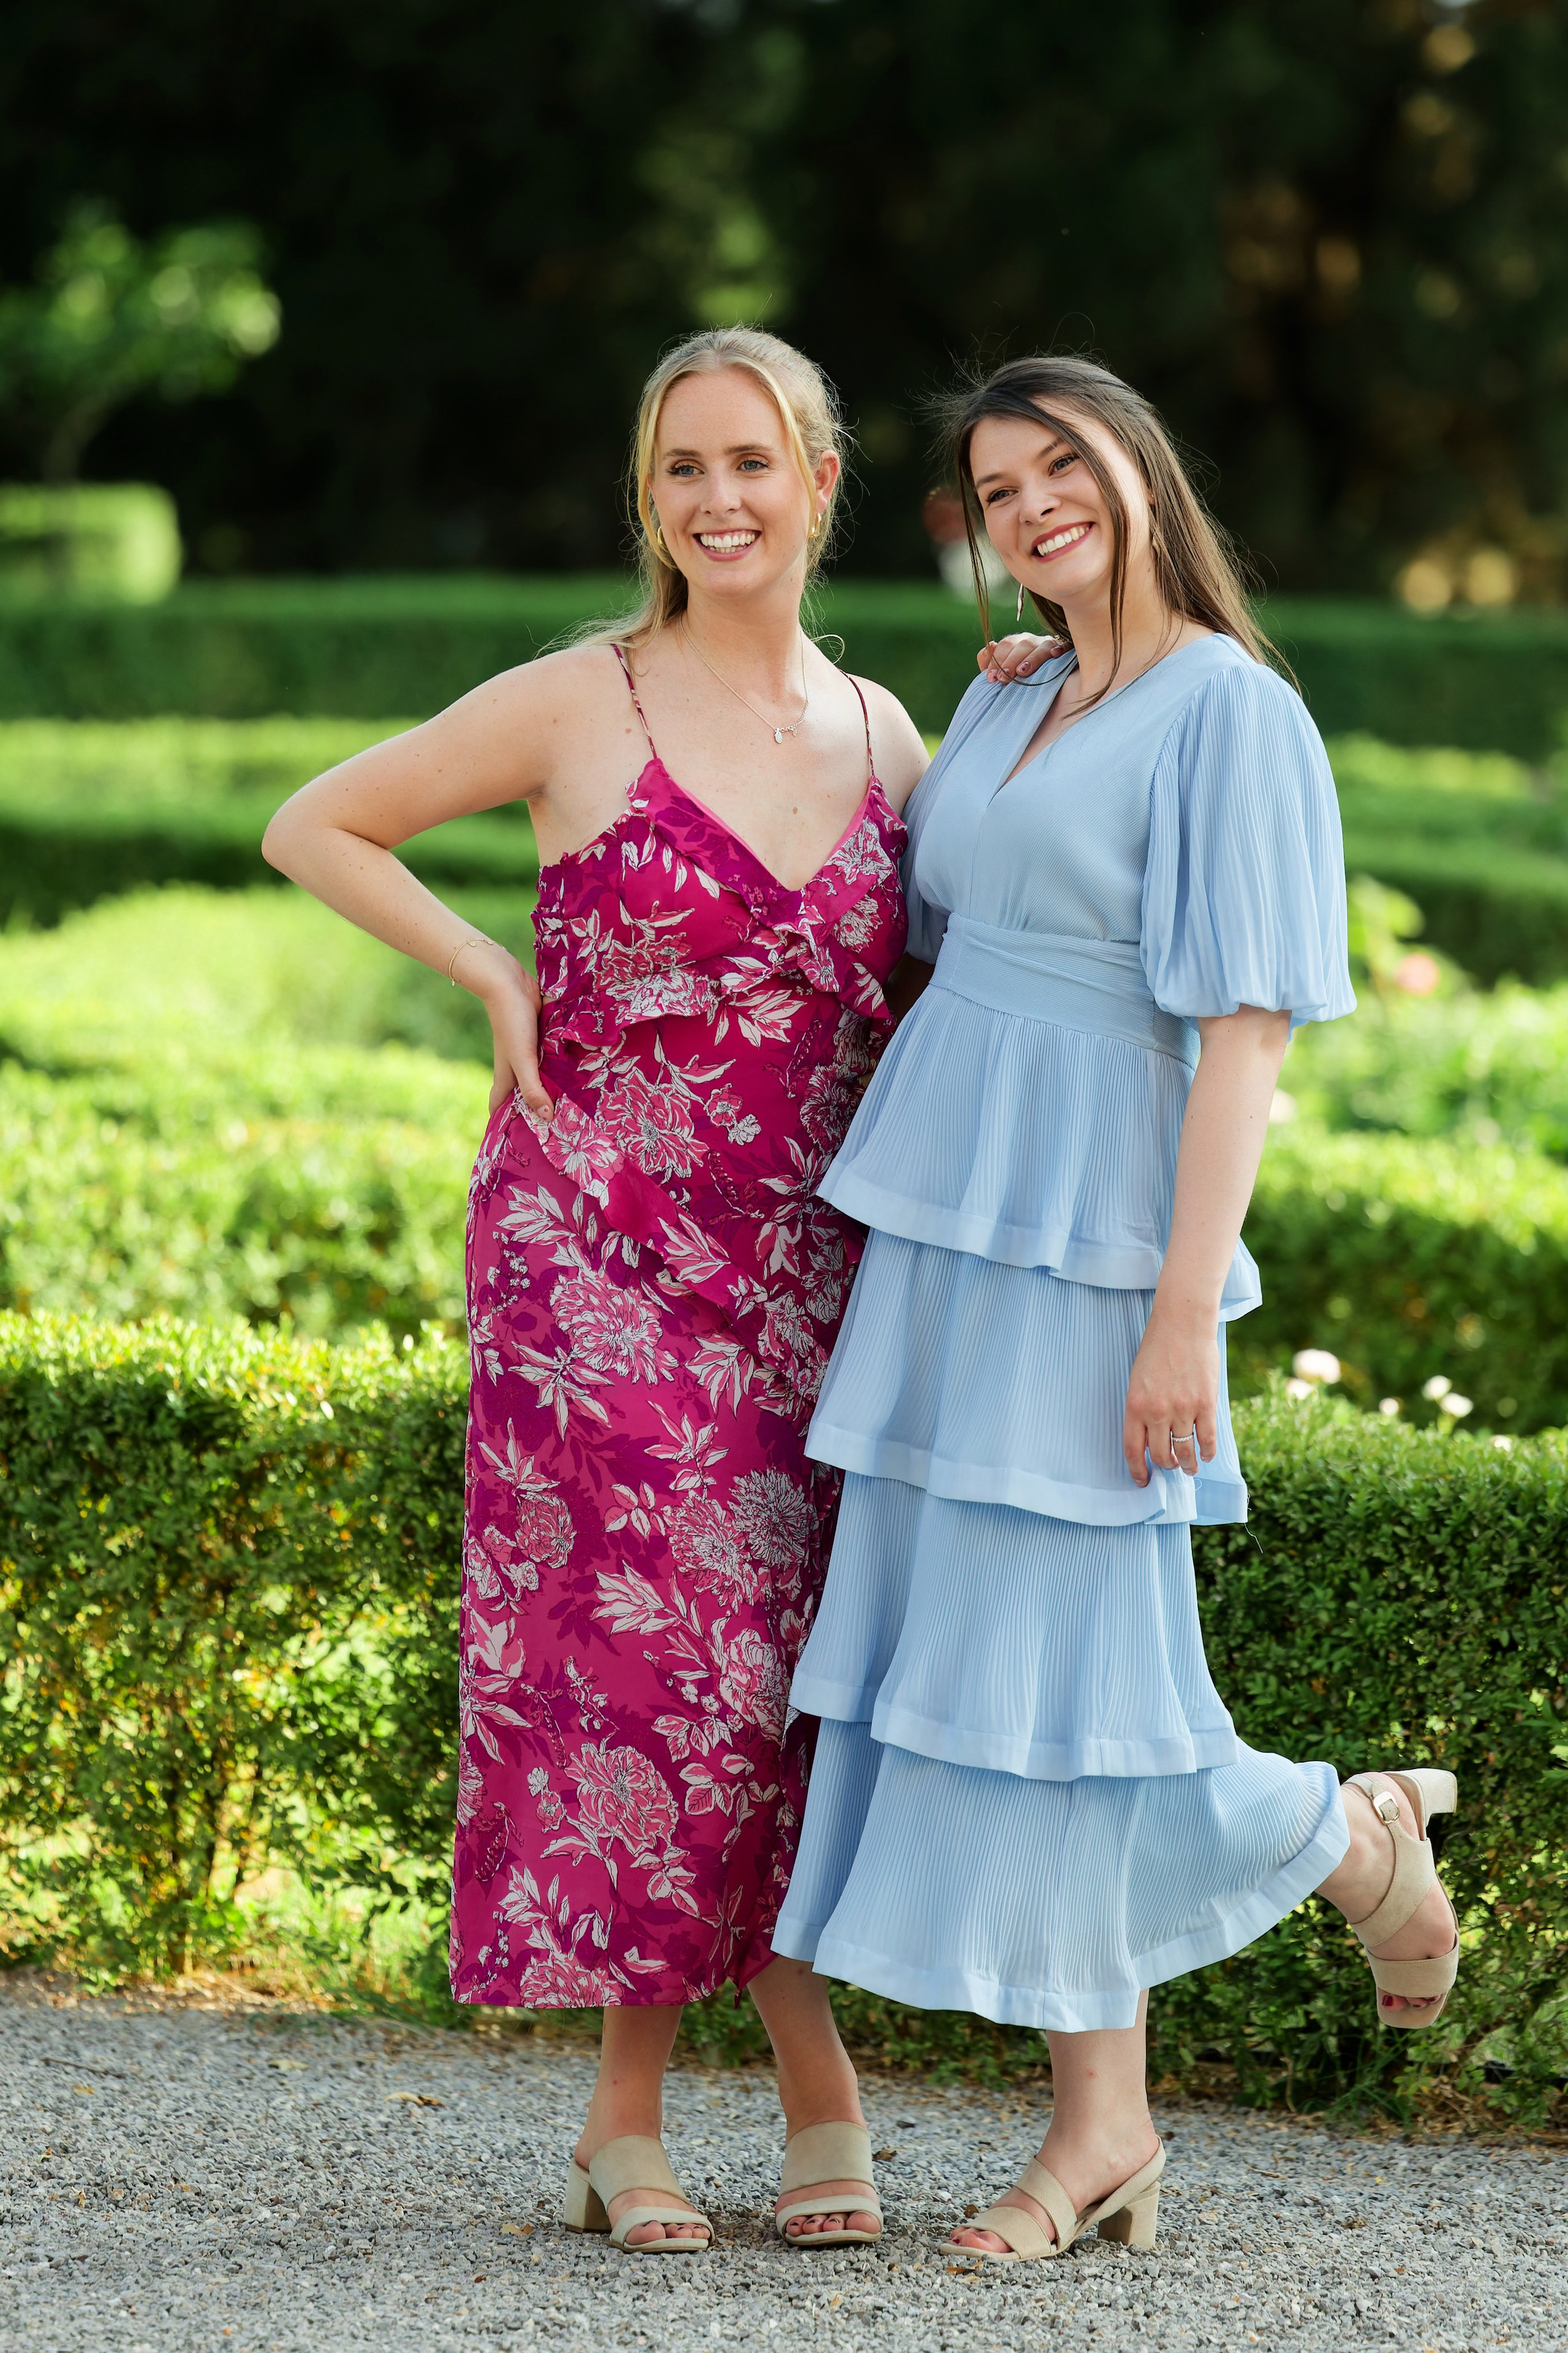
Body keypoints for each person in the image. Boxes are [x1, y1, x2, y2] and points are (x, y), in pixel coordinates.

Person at [771, 354, 1462, 2263]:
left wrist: (1180, 1319)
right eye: (998, 491)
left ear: (1137, 470)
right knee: (1012, 1686)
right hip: (943, 1239)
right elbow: (923, 931)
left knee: (1088, 1676)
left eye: (1059, 466)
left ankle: (1340, 1841)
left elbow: (1243, 1039)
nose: (1032, 506)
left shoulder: (1230, 715)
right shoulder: (1009, 703)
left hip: (1096, 1252)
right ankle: (1119, 2119)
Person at [263, 327, 929, 2256]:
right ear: (651, 499)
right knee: (674, 1663)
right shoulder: (581, 698)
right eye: (681, 469)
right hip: (599, 1262)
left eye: (752, 462)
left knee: (783, 1680)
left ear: (819, 477)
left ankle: (649, 2111)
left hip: (816, 1276)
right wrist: (491, 970)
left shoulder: (893, 734)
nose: (718, 500)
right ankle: (722, 2098)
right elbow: (318, 820)